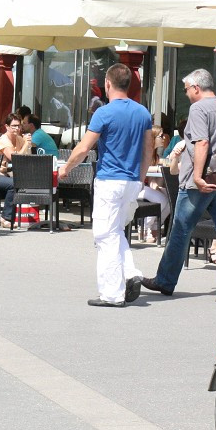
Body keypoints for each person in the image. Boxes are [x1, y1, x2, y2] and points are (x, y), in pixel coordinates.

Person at [142, 69, 216, 304]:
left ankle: (165, 280)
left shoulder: (198, 109)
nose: (187, 93)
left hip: (200, 181)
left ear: (197, 88)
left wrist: (198, 176)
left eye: (187, 89)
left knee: (180, 229)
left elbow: (202, 143)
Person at [58, 64, 153, 307]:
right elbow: (147, 150)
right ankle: (131, 273)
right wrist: (140, 177)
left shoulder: (104, 113)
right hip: (132, 181)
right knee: (116, 231)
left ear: (108, 84)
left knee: (105, 236)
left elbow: (83, 148)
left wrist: (65, 169)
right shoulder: (143, 112)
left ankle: (112, 293)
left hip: (110, 180)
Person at [0, 113, 30, 229]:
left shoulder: (18, 139)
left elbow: (27, 156)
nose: (17, 129)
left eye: (18, 126)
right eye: (13, 126)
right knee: (14, 184)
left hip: (6, 174)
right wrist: (26, 144)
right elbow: (16, 159)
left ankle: (26, 214)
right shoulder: (4, 140)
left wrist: (27, 146)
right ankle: (5, 218)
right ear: (7, 127)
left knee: (25, 181)